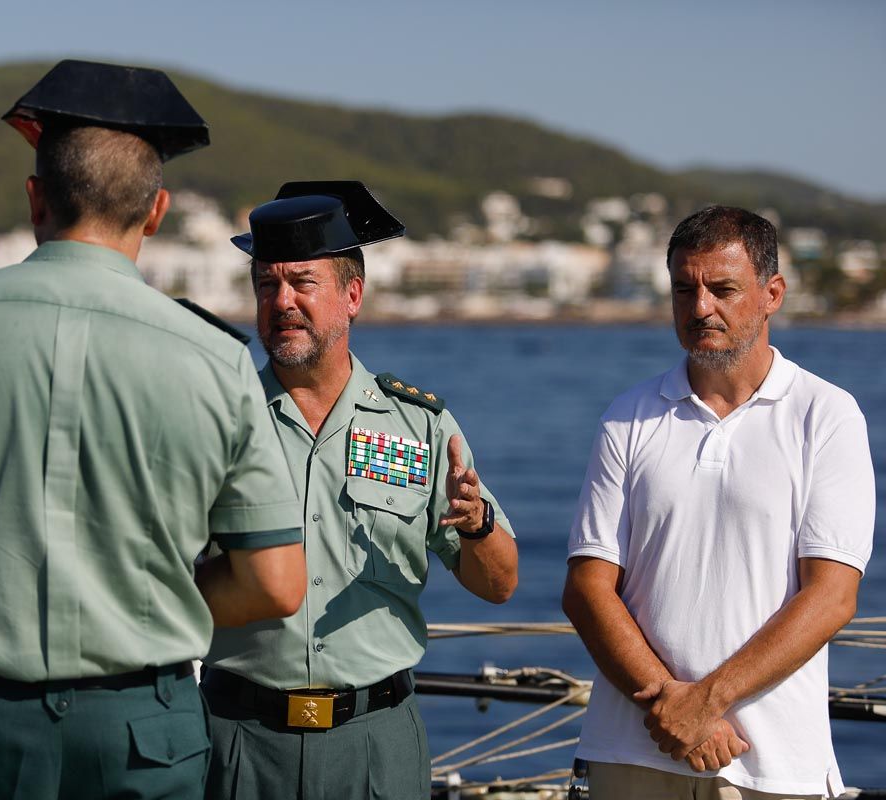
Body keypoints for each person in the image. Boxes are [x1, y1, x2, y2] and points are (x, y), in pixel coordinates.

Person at [0, 60, 307, 800]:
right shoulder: (218, 360)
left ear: (36, 199)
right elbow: (276, 582)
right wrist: (146, 593)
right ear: (158, 210)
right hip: (147, 734)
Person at [201, 181, 519, 799]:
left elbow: (499, 584)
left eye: (303, 283)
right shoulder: (216, 416)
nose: (282, 301)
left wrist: (475, 522)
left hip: (375, 745)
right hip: (238, 741)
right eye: (267, 284)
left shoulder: (418, 426)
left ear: (352, 295)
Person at [563, 206, 874, 799]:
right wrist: (673, 709)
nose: (700, 306)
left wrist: (703, 704)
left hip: (774, 764)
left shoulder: (826, 416)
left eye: (722, 288)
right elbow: (586, 589)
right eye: (685, 289)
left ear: (772, 293)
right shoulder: (627, 416)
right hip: (634, 753)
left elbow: (832, 595)